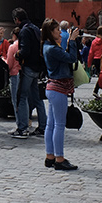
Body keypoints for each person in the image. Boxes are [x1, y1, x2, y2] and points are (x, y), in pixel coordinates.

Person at [40, 18, 79, 170]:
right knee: (59, 125)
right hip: (58, 89)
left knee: (51, 125)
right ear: (51, 33)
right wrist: (73, 41)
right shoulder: (53, 49)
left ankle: (50, 156)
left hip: (52, 87)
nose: (60, 33)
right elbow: (71, 58)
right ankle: (59, 158)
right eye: (57, 30)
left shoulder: (47, 46)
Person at [11, 8, 46, 139]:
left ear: (17, 19)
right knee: (37, 98)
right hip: (37, 68)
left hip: (28, 68)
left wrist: (17, 54)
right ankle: (43, 127)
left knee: (22, 97)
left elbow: (24, 50)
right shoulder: (35, 28)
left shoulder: (24, 31)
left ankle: (22, 128)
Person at [87, 25, 102, 93]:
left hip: (96, 60)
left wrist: (89, 63)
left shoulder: (94, 41)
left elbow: (91, 52)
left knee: (101, 75)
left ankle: (98, 90)